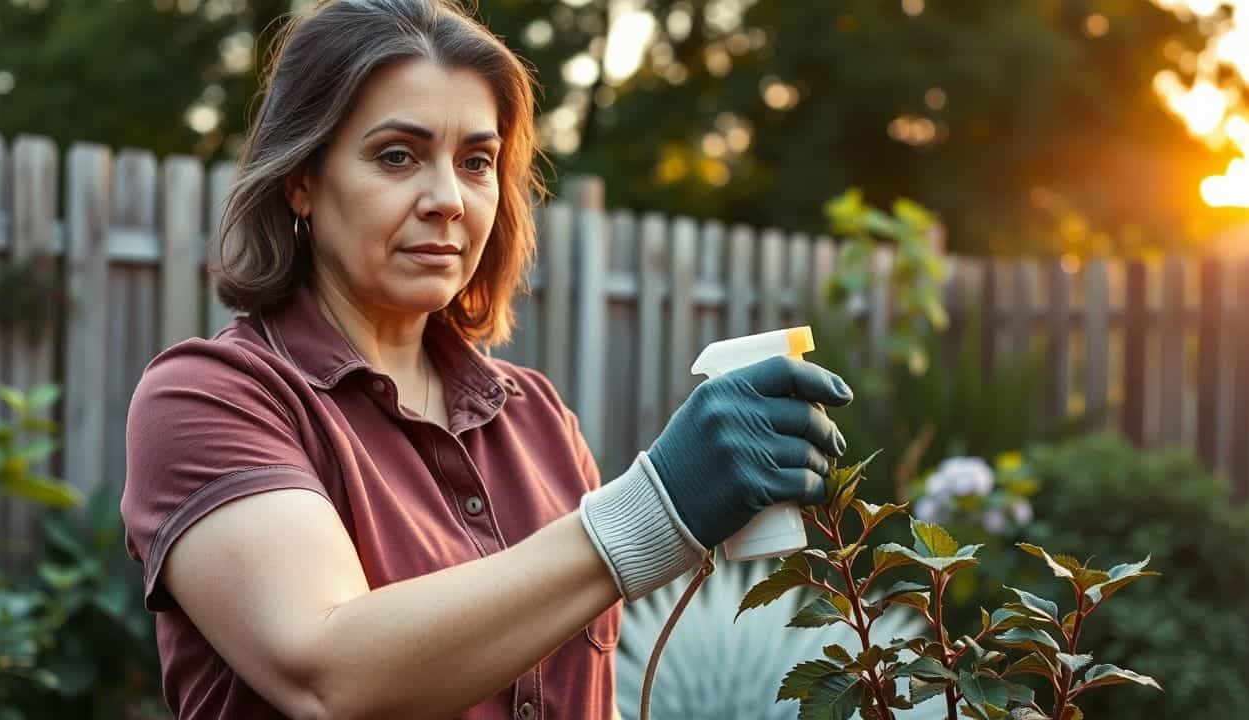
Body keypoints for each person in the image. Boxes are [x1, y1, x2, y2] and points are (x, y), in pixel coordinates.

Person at [119, 1, 852, 718]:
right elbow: (326, 676)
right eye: (397, 155)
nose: (448, 199)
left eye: (476, 162)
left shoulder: (537, 422)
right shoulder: (212, 399)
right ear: (301, 180)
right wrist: (656, 508)